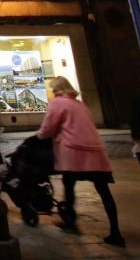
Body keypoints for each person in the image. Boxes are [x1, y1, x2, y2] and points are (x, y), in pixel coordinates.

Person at [37, 76, 124, 246]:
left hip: (74, 152)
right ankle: (115, 231)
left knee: (69, 184)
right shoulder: (80, 105)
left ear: (56, 90)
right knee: (104, 192)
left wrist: (39, 136)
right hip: (95, 152)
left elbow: (48, 127)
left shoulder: (58, 103)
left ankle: (70, 221)